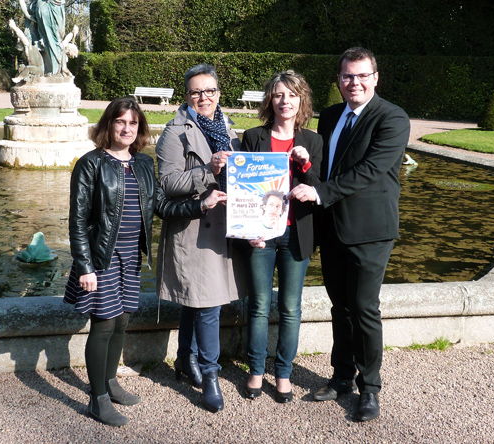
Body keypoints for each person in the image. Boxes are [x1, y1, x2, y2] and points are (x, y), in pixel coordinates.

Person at [64, 97, 226, 427]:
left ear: (139, 129)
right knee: (104, 323)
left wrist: (202, 205)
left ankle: (109, 384)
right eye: (120, 121)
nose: (126, 128)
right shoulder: (90, 164)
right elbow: (77, 221)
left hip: (130, 258)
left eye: (133, 123)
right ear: (108, 124)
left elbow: (163, 208)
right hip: (101, 258)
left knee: (122, 321)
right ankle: (97, 400)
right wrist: (85, 267)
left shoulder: (141, 164)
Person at [289, 47, 411, 421]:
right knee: (339, 307)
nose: (353, 82)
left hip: (370, 231)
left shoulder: (392, 118)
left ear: (375, 77)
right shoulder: (329, 116)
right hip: (333, 228)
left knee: (363, 308)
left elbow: (371, 170)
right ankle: (342, 376)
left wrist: (320, 192)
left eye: (361, 75)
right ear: (339, 80)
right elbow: (325, 167)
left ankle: (370, 388)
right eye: (346, 76)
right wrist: (304, 165)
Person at [155, 64, 244, 413]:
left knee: (198, 299)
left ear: (218, 93)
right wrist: (208, 170)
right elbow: (167, 184)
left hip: (225, 227)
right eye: (196, 92)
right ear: (187, 96)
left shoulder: (227, 128)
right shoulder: (175, 132)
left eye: (209, 91)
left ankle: (182, 358)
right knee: (208, 303)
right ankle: (210, 374)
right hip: (194, 228)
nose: (204, 97)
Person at [240, 70, 322, 403]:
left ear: (301, 100)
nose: (284, 101)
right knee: (259, 306)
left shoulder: (313, 141)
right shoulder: (253, 136)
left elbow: (320, 190)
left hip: (296, 234)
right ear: (270, 100)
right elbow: (242, 187)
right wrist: (246, 229)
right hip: (261, 235)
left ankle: (284, 373)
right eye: (278, 95)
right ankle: (256, 370)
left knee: (290, 308)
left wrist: (304, 166)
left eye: (291, 95)